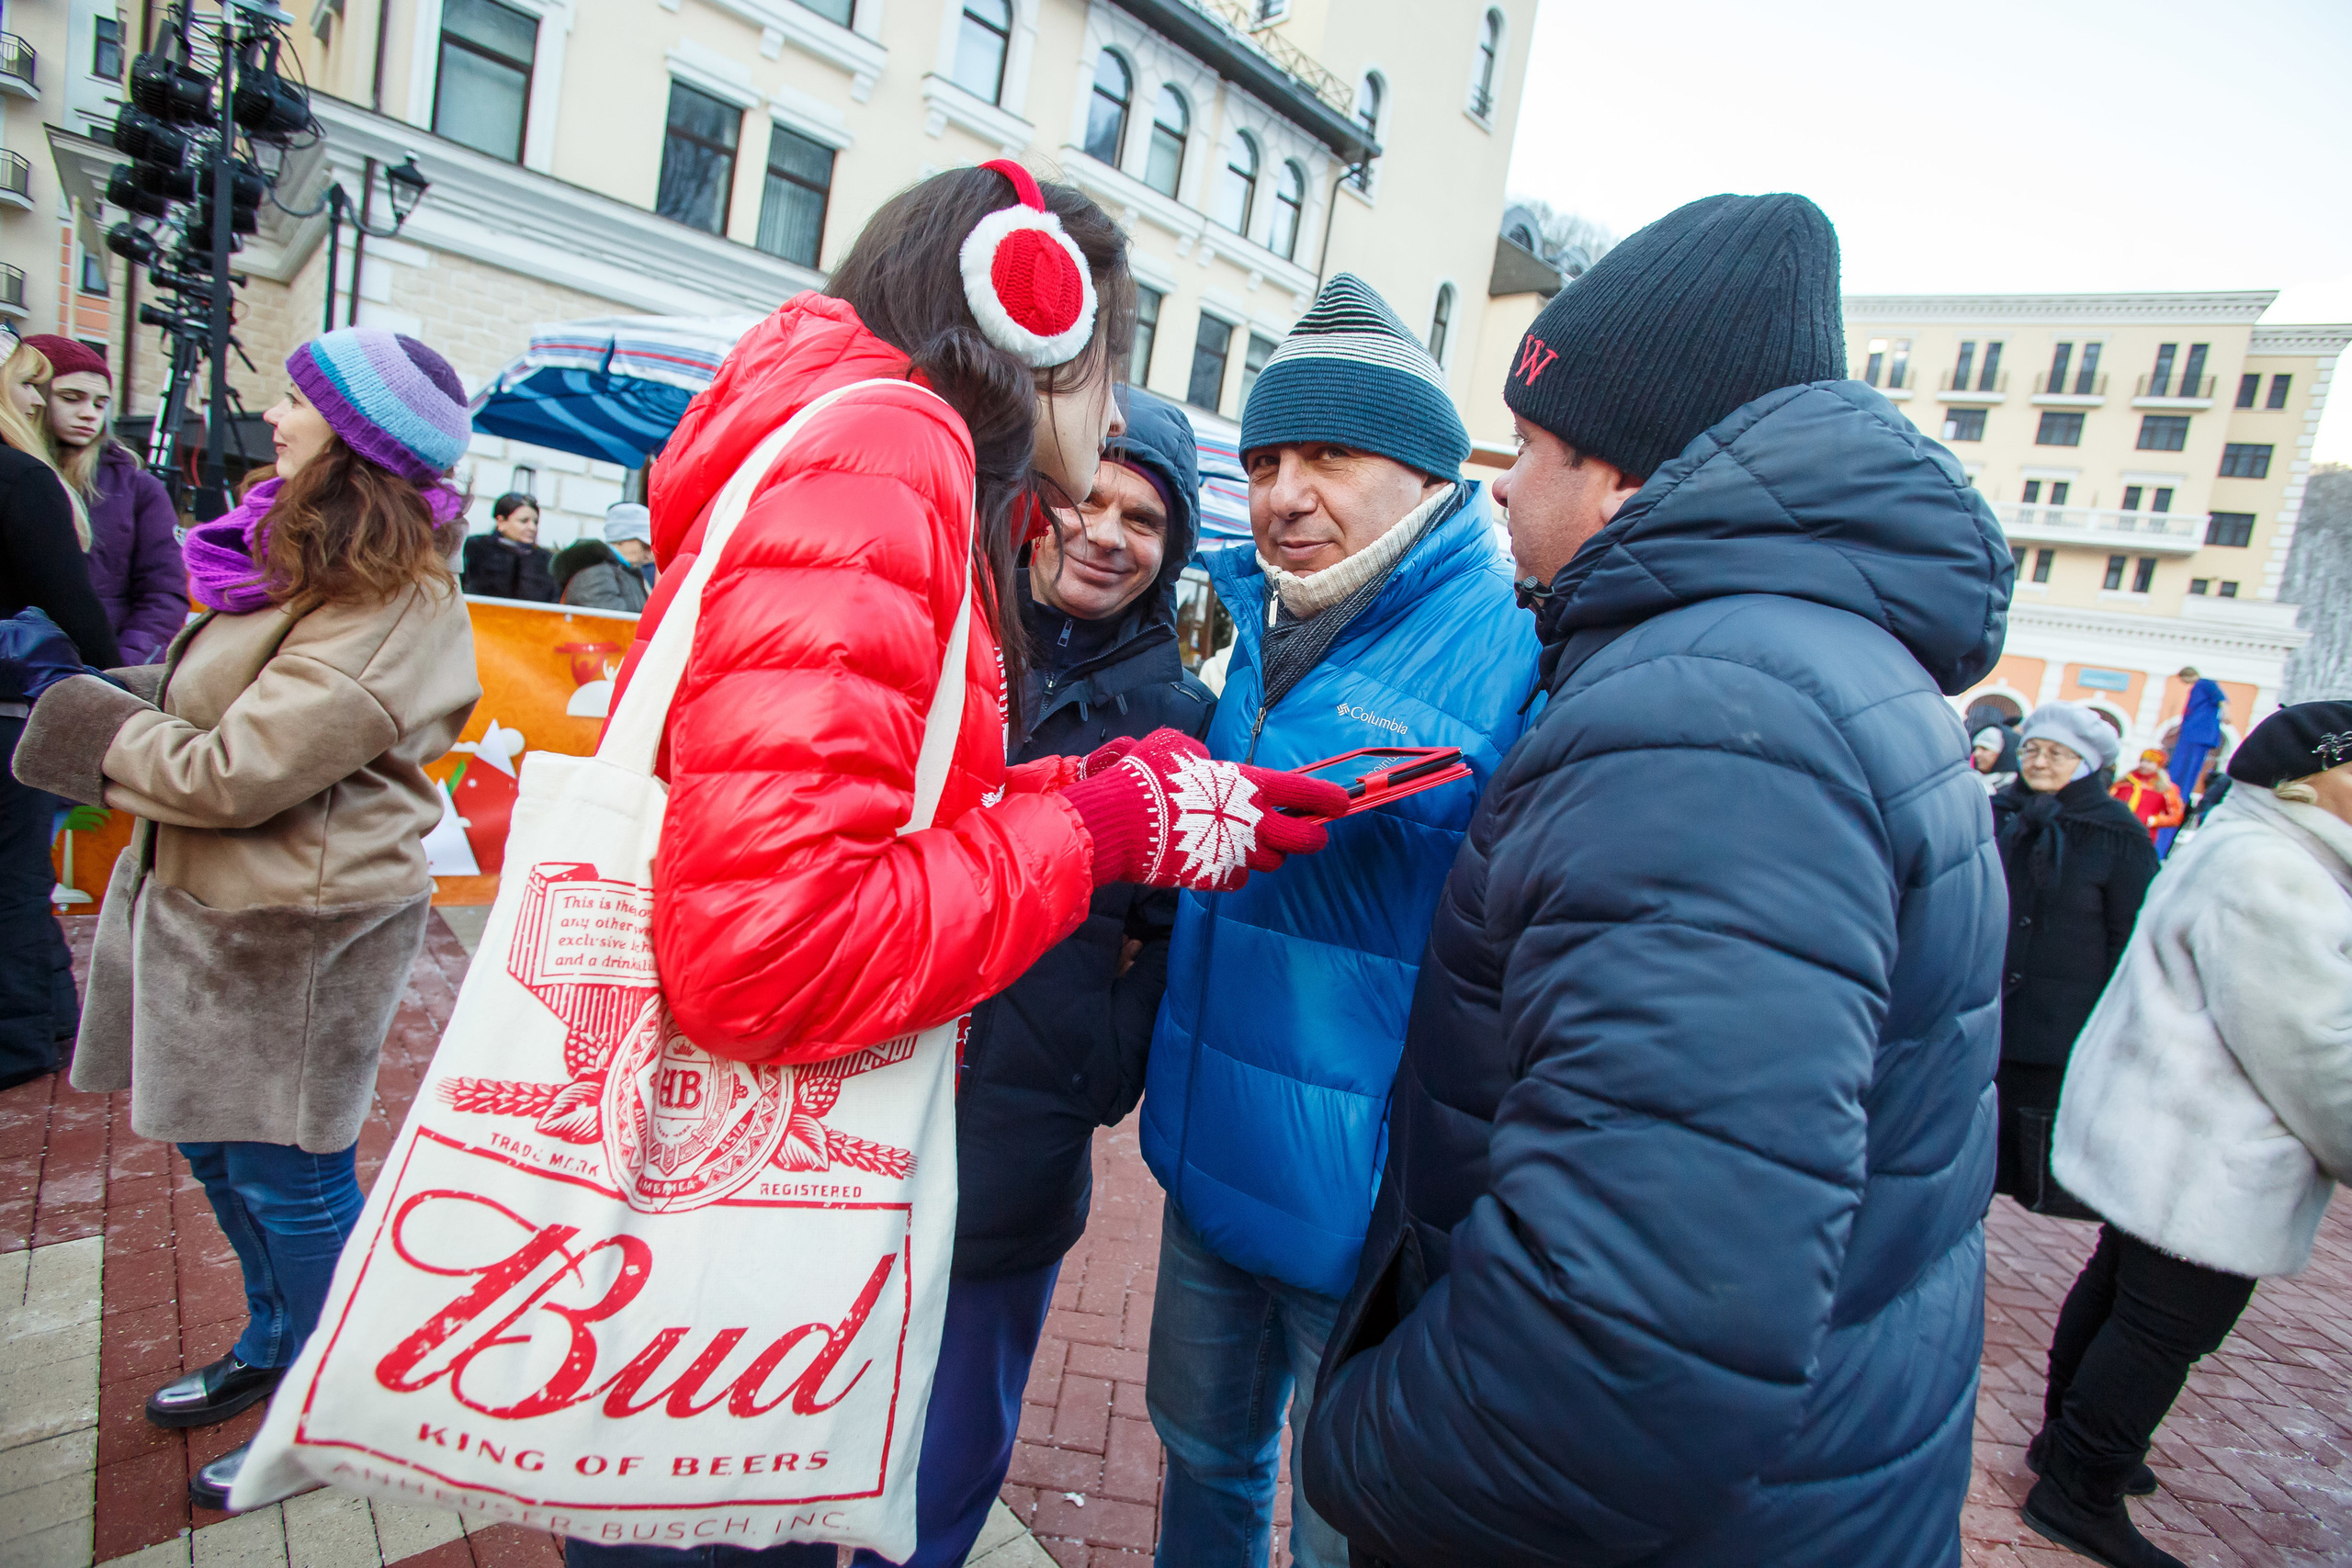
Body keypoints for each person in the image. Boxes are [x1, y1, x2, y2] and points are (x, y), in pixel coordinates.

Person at [584, 161, 1347, 1568]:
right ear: (1033, 311)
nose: (1115, 409)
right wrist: (1104, 828)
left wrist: (1103, 788)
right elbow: (772, 947)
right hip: (763, 1201)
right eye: (1112, 353)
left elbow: (866, 799)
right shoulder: (891, 455)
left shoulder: (865, 438)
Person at [1297, 194, 2012, 1566]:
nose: (1500, 483)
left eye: (1534, 446)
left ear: (1622, 476)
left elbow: (1632, 1329)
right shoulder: (1803, 665)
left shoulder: (1710, 717)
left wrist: (1364, 1442)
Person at [6, 326, 481, 1510]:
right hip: (219, 917)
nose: (273, 417)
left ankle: (330, 1413)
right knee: (222, 1151)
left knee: (292, 1174)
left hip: (294, 935)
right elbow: (207, 703)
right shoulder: (302, 563)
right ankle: (277, 1341)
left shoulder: (394, 603)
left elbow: (235, 770)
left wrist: (72, 711)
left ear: (354, 442)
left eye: (298, 403)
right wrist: (110, 690)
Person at [1138, 274, 1539, 1568]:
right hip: (1209, 1155)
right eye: (1262, 460)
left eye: (1328, 456)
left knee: (1343, 1526)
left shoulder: (1517, 643)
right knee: (1198, 1452)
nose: (1282, 496)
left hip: (1370, 1207)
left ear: (1423, 471)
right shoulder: (1270, 616)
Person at [933, 389, 1214, 1567]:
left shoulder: (1183, 714)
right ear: (1033, 507)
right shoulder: (951, 637)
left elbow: (1170, 925)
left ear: (1170, 554)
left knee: (952, 1428)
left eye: (1143, 519)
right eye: (1087, 499)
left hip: (1022, 1117)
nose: (1106, 533)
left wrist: (1096, 1061)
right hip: (865, 1077)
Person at [2025, 702, 2352, 1568]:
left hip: (2173, 1131)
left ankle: (2071, 1448)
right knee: (2166, 1325)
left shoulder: (2250, 849)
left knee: (2123, 1292)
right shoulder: (2277, 873)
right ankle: (2076, 1488)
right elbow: (2315, 1049)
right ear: (2307, 786)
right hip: (2212, 1151)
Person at [0, 339, 119, 1092]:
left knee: (11, 875)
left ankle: (27, 1034)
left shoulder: (28, 480)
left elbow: (79, 605)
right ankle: (45, 1020)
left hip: (27, 701)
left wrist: (125, 689)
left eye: (94, 400)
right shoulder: (29, 476)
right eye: (62, 395)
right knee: (17, 874)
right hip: (37, 697)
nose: (79, 413)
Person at [1991, 704, 2159, 1218]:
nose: (2040, 762)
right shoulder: (1996, 813)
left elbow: (2130, 932)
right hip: (1982, 1009)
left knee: (2032, 1152)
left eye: (2057, 753)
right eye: (2032, 750)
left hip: (2060, 1021)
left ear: (2085, 763)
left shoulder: (2116, 833)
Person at [23, 335, 187, 665]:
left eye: (100, 404)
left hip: (102, 673)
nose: (89, 414)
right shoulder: (14, 476)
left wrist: (121, 670)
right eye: (71, 398)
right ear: (31, 395)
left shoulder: (139, 489)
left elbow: (163, 595)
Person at [552, 502, 656, 612]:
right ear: (622, 540)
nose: (650, 553)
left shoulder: (627, 572)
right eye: (646, 546)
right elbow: (608, 623)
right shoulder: (596, 573)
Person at [460, 491, 557, 601]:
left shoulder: (545, 559)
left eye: (535, 522)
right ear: (501, 522)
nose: (532, 528)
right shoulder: (475, 549)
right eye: (524, 521)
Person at [2110, 747, 2186, 842]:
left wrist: (2152, 820)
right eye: (2142, 761)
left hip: (2142, 835)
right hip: (2115, 830)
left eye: (2149, 762)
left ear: (2158, 765)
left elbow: (2176, 816)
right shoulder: (2124, 782)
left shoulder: (2165, 788)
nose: (2144, 765)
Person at [1973, 722, 2020, 795]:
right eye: (1976, 748)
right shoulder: (1971, 782)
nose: (1976, 754)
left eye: (1985, 748)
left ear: (2004, 752)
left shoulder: (2015, 790)